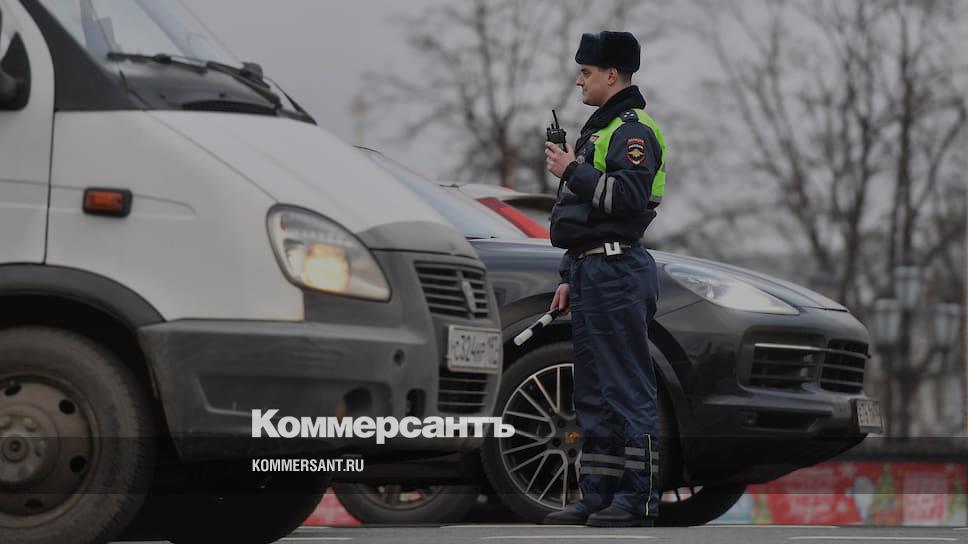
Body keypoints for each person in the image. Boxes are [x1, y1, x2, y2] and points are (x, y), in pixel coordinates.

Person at [543, 30, 667, 528]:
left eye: (587, 71)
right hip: (592, 270)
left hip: (618, 272)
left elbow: (626, 200)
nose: (579, 80)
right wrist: (568, 274)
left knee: (627, 391)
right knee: (592, 394)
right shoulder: (600, 130)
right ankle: (597, 495)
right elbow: (583, 218)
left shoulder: (633, 132)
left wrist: (571, 169)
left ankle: (637, 500)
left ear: (611, 75)